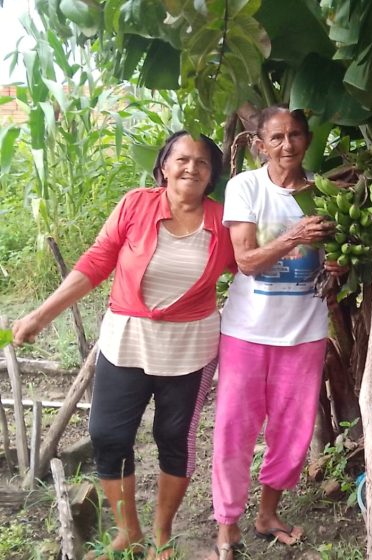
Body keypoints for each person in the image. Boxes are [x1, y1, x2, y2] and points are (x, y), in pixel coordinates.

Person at [12, 131, 234, 560]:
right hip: (127, 340)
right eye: (181, 159)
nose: (191, 168)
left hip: (190, 347)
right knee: (107, 435)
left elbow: (249, 268)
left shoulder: (221, 225)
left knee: (174, 438)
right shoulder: (135, 205)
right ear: (164, 166)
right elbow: (96, 261)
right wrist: (41, 315)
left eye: (202, 163)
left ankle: (163, 535)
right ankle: (128, 532)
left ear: (212, 176)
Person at [209, 106, 343, 560]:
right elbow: (245, 260)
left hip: (304, 333)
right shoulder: (245, 187)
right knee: (234, 430)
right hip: (247, 332)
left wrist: (339, 266)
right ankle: (227, 525)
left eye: (296, 136)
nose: (288, 145)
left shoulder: (323, 193)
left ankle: (267, 514)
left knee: (292, 433)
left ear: (307, 140)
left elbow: (336, 263)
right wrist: (293, 236)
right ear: (260, 144)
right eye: (277, 137)